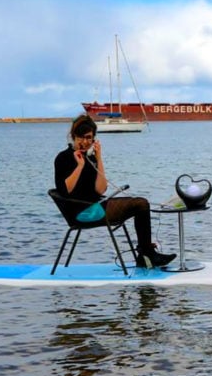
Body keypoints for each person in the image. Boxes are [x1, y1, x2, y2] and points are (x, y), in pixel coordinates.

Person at [54, 115, 176, 268]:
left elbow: (100, 189)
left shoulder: (90, 159)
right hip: (81, 212)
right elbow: (66, 190)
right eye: (81, 137)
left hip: (96, 206)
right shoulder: (63, 158)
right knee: (141, 204)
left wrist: (99, 159)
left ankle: (145, 254)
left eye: (89, 138)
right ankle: (147, 255)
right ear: (73, 136)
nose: (85, 142)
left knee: (141, 204)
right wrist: (79, 166)